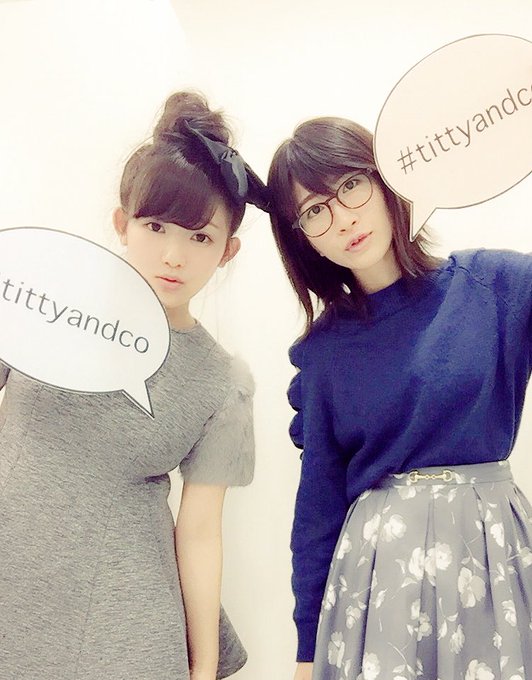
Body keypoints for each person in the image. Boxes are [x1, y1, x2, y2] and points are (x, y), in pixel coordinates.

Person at [0, 91, 267, 680]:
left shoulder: (222, 383)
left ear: (228, 251)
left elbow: (199, 533)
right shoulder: (34, 301)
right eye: (156, 226)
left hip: (125, 624)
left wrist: (203, 667)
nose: (174, 255)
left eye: (200, 237)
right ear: (123, 223)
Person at [267, 116, 532, 680]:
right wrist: (307, 652)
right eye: (314, 211)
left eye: (351, 185)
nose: (343, 217)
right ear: (302, 236)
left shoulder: (496, 285)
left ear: (385, 176)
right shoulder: (324, 354)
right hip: (379, 581)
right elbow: (317, 509)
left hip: (492, 561)